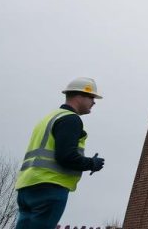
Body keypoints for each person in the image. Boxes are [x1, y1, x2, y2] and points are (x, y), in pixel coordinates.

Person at [15, 78, 105, 229]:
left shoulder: (48, 118)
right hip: (50, 187)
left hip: (26, 187)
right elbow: (66, 156)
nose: (94, 102)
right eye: (92, 97)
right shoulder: (71, 120)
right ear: (80, 96)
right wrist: (91, 163)